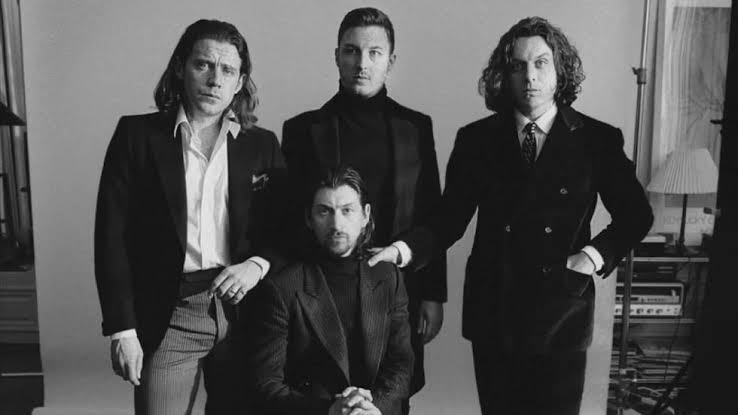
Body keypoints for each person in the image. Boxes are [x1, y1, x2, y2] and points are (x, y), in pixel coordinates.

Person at [370, 16, 654, 414]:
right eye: (518, 66)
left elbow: (636, 215)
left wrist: (590, 257)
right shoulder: (477, 139)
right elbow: (448, 219)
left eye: (541, 63)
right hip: (496, 311)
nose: (530, 76)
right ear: (505, 75)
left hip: (562, 311)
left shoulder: (597, 140)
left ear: (560, 70)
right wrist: (402, 250)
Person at [94, 19, 286, 414]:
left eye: (227, 70)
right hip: (170, 313)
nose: (215, 80)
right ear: (181, 68)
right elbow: (110, 236)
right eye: (203, 65)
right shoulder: (136, 136)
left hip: (245, 313)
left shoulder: (262, 144)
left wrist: (256, 265)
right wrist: (122, 329)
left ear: (240, 82)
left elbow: (287, 228)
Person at [281, 9, 445, 411]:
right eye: (352, 51)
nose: (362, 63)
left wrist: (433, 294)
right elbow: (291, 218)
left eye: (374, 52)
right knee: (322, 399)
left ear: (391, 60)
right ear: (337, 56)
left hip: (395, 288)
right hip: (321, 291)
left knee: (390, 397)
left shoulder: (415, 127)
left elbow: (431, 213)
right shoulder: (302, 129)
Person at [241, 166, 413, 415]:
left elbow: (401, 365)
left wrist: (373, 407)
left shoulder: (388, 276)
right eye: (324, 211)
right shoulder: (282, 286)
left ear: (365, 216)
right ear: (309, 218)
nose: (336, 224)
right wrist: (330, 411)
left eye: (347, 210)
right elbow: (266, 383)